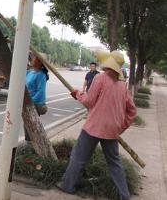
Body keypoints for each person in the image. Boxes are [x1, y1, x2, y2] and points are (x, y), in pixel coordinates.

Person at [57, 50, 136, 200]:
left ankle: (68, 185)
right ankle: (124, 195)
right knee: (114, 163)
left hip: (93, 128)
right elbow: (132, 111)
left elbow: (88, 101)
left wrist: (78, 94)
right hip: (112, 130)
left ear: (108, 63)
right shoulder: (122, 86)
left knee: (78, 157)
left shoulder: (100, 78)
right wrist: (121, 126)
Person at [24, 52, 49, 143]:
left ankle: (31, 144)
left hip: (35, 104)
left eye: (35, 58)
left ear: (39, 62)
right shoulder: (29, 72)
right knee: (27, 124)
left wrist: (30, 101)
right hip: (28, 102)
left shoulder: (41, 75)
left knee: (31, 125)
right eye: (33, 57)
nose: (33, 59)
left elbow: (41, 92)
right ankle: (30, 143)